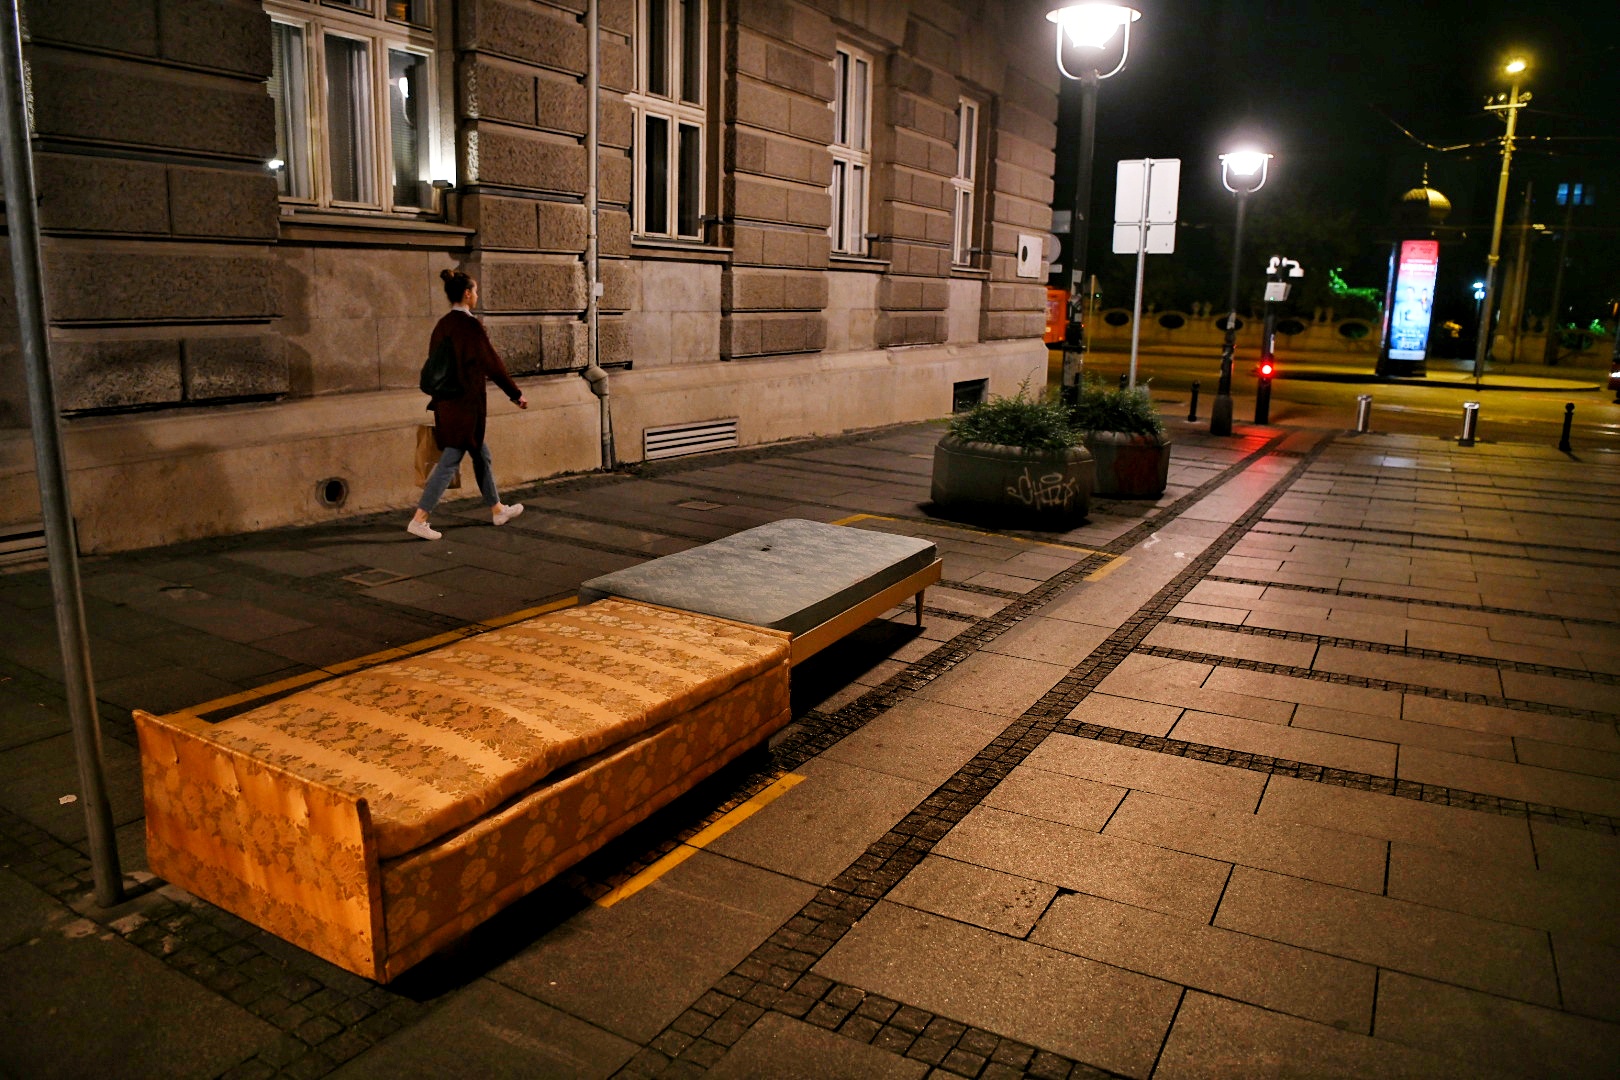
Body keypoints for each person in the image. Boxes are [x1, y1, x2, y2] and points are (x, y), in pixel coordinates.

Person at [407, 269, 528, 541]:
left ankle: (497, 509)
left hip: (447, 404)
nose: (477, 295)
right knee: (450, 461)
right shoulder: (469, 326)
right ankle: (419, 518)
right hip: (464, 406)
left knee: (481, 455)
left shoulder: (443, 324)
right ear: (466, 293)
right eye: (475, 290)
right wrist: (515, 393)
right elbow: (492, 363)